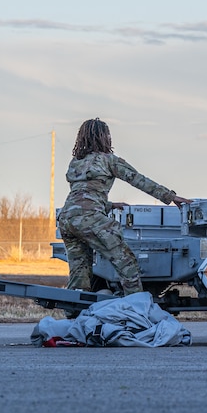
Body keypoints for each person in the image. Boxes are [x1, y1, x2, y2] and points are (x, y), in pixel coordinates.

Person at [59, 118, 192, 295]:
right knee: (126, 263)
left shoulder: (75, 163)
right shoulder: (109, 160)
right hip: (89, 218)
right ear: (102, 137)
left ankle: (73, 313)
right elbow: (138, 180)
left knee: (79, 273)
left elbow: (81, 195)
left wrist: (109, 205)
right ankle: (136, 305)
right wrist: (170, 196)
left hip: (66, 219)